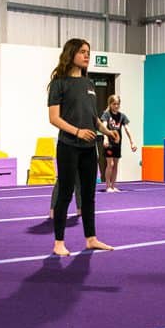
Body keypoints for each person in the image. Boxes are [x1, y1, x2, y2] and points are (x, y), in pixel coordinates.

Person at [47, 38, 120, 256]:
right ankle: (58, 242)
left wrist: (107, 131)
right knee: (65, 194)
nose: (87, 55)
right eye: (82, 52)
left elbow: (94, 118)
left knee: (89, 195)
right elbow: (54, 118)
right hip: (68, 146)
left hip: (89, 147)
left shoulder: (88, 84)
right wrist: (77, 131)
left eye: (88, 51)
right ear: (71, 54)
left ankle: (91, 238)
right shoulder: (59, 83)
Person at [100, 95, 137, 192]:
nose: (116, 106)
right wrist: (105, 138)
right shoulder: (106, 115)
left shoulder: (122, 116)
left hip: (117, 143)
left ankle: (113, 185)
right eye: (114, 104)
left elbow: (127, 129)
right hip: (109, 143)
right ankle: (107, 185)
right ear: (110, 104)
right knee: (110, 164)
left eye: (118, 104)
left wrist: (132, 142)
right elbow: (103, 127)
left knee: (115, 164)